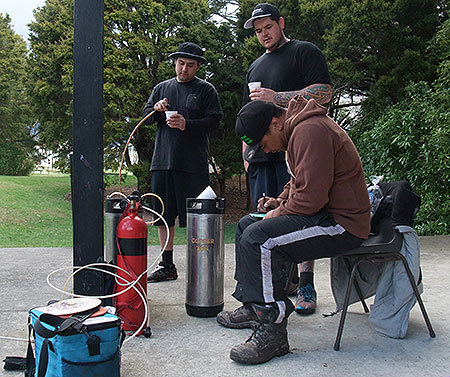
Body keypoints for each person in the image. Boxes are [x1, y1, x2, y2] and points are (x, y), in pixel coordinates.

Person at [216, 98, 370, 364]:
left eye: (263, 144)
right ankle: (254, 306)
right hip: (324, 215)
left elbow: (310, 199)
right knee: (246, 226)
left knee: (259, 238)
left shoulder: (310, 130)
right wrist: (280, 200)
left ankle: (273, 330)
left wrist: (276, 213)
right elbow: (300, 181)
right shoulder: (298, 130)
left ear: (275, 124)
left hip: (342, 224)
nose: (266, 150)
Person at [242, 2, 333, 314]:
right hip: (261, 153)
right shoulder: (255, 68)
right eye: (258, 31)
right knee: (265, 215)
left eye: (268, 27)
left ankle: (306, 282)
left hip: (297, 144)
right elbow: (247, 115)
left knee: (303, 213)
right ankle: (276, 287)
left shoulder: (304, 52)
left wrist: (276, 97)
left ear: (281, 23)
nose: (264, 34)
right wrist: (245, 150)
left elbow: (324, 94)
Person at [142, 42, 223, 282]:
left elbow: (214, 121)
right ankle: (167, 266)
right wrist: (156, 110)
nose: (184, 69)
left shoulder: (206, 90)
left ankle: (200, 266)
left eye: (190, 65)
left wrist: (187, 124)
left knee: (197, 218)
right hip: (163, 161)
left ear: (198, 66)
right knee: (163, 217)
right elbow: (146, 118)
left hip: (193, 164)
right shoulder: (161, 88)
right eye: (180, 63)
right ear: (174, 62)